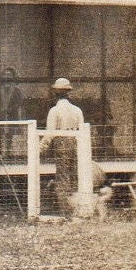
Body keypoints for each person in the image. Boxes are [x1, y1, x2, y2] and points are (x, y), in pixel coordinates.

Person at [42, 79, 84, 212]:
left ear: (55, 93)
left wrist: (40, 148)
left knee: (62, 177)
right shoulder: (77, 110)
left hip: (61, 145)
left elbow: (50, 133)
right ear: (68, 93)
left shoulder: (54, 111)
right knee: (74, 176)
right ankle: (76, 208)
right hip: (75, 144)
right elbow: (81, 131)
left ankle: (65, 210)